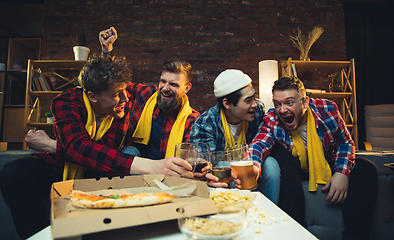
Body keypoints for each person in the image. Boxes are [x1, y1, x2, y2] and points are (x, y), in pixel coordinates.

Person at [0, 54, 196, 239]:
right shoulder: (66, 102)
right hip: (67, 166)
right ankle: (44, 235)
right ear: (93, 97)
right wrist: (152, 166)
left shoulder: (123, 101)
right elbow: (80, 148)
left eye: (125, 92)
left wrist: (51, 144)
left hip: (102, 169)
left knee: (127, 152)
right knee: (13, 171)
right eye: (117, 95)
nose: (126, 100)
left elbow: (98, 153)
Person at [249, 76, 378, 240]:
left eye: (289, 103)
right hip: (293, 170)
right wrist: (253, 166)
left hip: (324, 162)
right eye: (277, 104)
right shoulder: (272, 119)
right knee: (279, 156)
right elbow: (258, 145)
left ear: (304, 102)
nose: (282, 110)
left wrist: (341, 173)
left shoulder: (327, 110)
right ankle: (296, 233)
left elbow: (344, 142)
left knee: (366, 168)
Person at [189, 69, 281, 204]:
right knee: (224, 165)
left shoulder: (258, 111)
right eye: (248, 100)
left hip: (253, 167)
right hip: (223, 180)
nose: (255, 104)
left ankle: (269, 211)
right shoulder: (206, 123)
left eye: (254, 97)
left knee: (271, 164)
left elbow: (262, 144)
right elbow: (206, 164)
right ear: (226, 104)